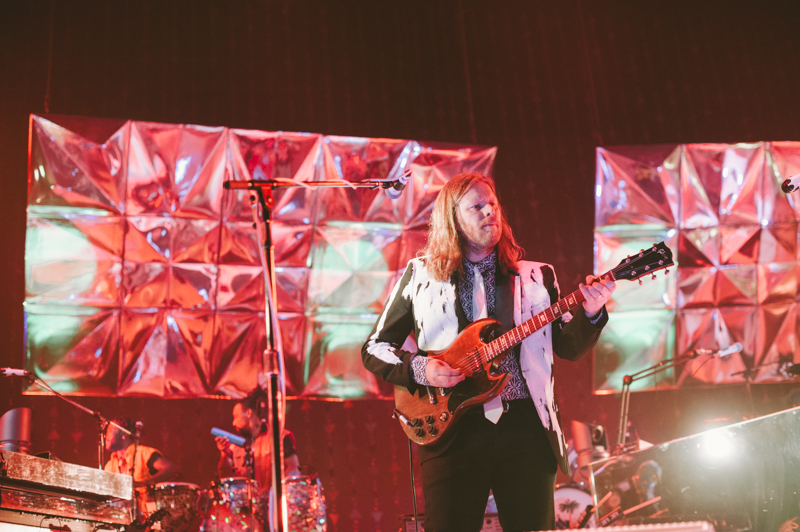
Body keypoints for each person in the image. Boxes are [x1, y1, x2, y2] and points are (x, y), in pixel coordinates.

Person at [361, 172, 615, 532]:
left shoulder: (537, 277)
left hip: (526, 429)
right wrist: (422, 369)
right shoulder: (420, 276)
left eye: (492, 203)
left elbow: (569, 347)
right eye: (476, 206)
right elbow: (375, 348)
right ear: (452, 219)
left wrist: (592, 312)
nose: (489, 211)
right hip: (452, 430)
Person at [103, 417, 179, 505]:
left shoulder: (143, 453)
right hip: (120, 512)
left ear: (124, 434)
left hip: (146, 510)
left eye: (111, 430)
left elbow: (171, 469)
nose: (105, 435)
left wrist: (145, 483)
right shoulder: (110, 465)